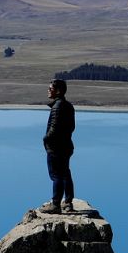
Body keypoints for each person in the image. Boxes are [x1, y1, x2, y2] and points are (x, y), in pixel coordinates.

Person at [40, 79, 75, 214]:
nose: (48, 90)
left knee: (56, 175)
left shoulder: (57, 107)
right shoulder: (68, 106)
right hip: (66, 146)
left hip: (56, 148)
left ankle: (55, 204)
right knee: (65, 173)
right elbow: (72, 127)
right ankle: (68, 202)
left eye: (51, 88)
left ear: (58, 91)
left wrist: (46, 139)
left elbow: (54, 129)